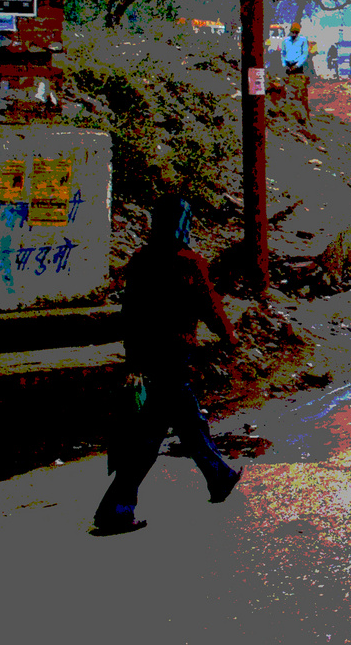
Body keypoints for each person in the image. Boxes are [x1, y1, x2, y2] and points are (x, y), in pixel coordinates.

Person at [92, 194, 242, 535]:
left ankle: (219, 476)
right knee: (152, 436)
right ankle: (116, 508)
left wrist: (133, 358)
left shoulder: (141, 260)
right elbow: (210, 306)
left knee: (183, 424)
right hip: (173, 357)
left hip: (146, 357)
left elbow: (128, 314)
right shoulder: (189, 262)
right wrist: (229, 337)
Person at [281, 22, 310, 127]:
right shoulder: (285, 41)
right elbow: (283, 54)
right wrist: (285, 65)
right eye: (293, 32)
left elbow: (304, 54)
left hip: (298, 68)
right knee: (288, 90)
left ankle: (303, 115)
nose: (294, 34)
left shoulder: (302, 41)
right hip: (288, 67)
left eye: (296, 32)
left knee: (299, 90)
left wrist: (297, 65)